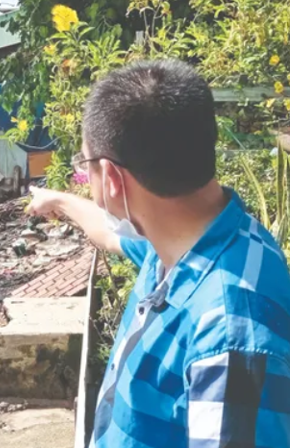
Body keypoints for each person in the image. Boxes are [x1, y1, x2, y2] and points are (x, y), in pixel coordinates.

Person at [28, 59, 290, 448]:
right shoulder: (191, 242)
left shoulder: (231, 333)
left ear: (113, 180)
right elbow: (109, 232)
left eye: (86, 166)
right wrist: (57, 201)